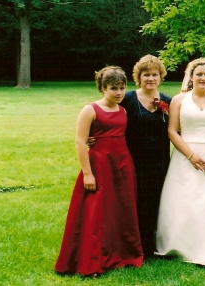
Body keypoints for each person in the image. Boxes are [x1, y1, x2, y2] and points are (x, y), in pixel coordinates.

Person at [55, 66, 143, 276]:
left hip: (121, 165)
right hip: (99, 166)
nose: (119, 92)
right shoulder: (90, 110)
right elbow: (79, 141)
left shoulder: (123, 111)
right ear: (103, 88)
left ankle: (120, 254)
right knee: (96, 212)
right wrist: (87, 173)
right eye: (114, 88)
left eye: (122, 88)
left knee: (119, 210)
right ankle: (92, 259)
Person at [155, 58, 205, 266]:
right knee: (184, 199)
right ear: (191, 77)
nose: (203, 78)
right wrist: (190, 155)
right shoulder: (179, 100)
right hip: (185, 155)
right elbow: (172, 131)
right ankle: (181, 244)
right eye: (199, 74)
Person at [119, 55, 172, 258]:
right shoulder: (128, 99)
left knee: (156, 202)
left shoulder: (168, 101)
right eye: (146, 75)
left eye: (155, 74)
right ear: (138, 77)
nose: (151, 78)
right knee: (135, 202)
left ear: (161, 77)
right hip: (133, 160)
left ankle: (151, 245)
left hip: (159, 162)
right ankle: (133, 244)